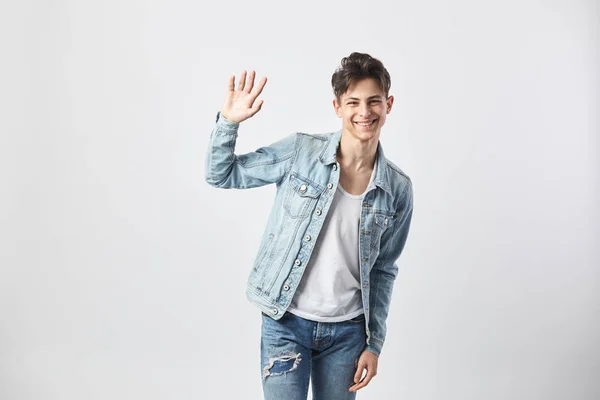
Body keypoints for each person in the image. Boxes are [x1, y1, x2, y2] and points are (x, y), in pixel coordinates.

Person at [205, 52, 413, 400]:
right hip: (286, 322)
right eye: (353, 102)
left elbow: (383, 271)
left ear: (388, 104)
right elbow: (222, 174)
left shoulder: (397, 189)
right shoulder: (300, 152)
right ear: (337, 107)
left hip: (347, 333)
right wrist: (229, 122)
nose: (364, 112)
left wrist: (374, 343)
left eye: (373, 101)